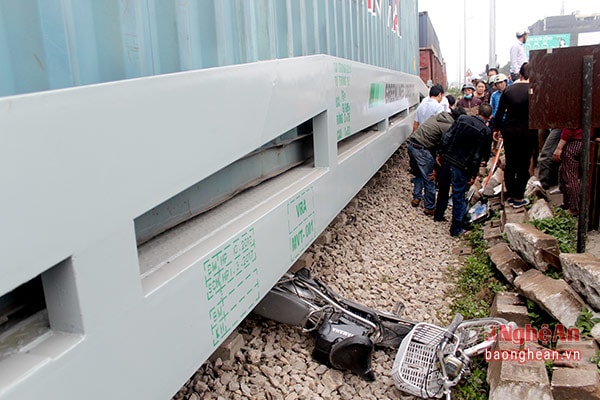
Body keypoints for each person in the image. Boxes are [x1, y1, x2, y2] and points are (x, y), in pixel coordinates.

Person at [434, 103, 493, 237]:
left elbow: (447, 137)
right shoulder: (485, 131)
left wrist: (440, 153)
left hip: (448, 159)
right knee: (459, 197)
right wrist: (473, 174)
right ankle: (456, 229)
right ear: (489, 117)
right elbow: (479, 156)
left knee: (443, 189)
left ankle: (438, 215)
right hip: (462, 166)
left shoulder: (462, 119)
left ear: (477, 111)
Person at [407, 106, 466, 214]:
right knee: (430, 177)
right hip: (422, 149)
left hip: (411, 145)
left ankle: (417, 197)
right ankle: (429, 207)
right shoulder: (448, 126)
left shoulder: (437, 116)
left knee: (419, 173)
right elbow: (442, 145)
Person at [495, 62, 538, 208]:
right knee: (523, 164)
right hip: (528, 132)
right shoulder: (535, 90)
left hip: (510, 132)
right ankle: (519, 197)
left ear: (520, 74)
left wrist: (497, 129)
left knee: (511, 162)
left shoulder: (508, 91)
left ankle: (510, 194)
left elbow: (499, 113)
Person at [552, 128, 583, 215]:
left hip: (574, 141)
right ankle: (567, 203)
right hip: (585, 140)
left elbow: (569, 128)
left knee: (570, 177)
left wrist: (559, 147)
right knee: (564, 172)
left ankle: (574, 207)